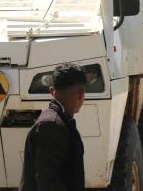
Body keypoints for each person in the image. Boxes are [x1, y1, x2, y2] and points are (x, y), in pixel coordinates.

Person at [20, 63, 88, 191]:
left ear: (51, 91)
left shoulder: (58, 121)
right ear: (80, 95)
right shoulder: (51, 125)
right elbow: (47, 181)